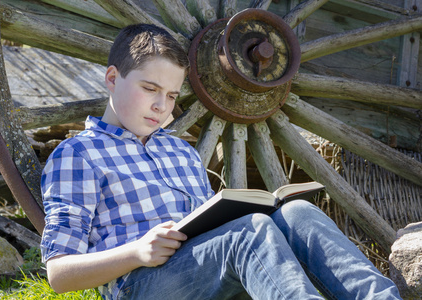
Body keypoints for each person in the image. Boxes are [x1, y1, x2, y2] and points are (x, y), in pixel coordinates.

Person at [40, 23, 402, 300]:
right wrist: (137, 251)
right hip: (141, 284)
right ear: (112, 78)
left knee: (297, 214)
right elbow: (59, 275)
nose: (161, 106)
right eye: (149, 89)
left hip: (206, 270)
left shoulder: (180, 152)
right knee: (250, 231)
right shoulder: (79, 155)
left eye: (170, 95)